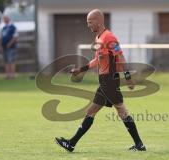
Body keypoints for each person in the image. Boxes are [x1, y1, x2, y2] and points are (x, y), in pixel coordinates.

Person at [55, 9, 146, 152]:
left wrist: (128, 77)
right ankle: (71, 144)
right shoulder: (98, 38)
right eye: (87, 23)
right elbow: (97, 60)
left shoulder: (109, 38)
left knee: (121, 111)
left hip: (109, 81)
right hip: (104, 81)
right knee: (92, 111)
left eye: (90, 22)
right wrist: (81, 69)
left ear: (98, 21)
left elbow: (120, 57)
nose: (88, 25)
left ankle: (140, 145)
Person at [1, 15, 18, 79]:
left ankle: (12, 75)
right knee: (6, 61)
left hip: (11, 47)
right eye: (4, 19)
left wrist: (10, 43)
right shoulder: (4, 28)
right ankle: (7, 75)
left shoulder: (13, 27)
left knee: (11, 61)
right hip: (4, 47)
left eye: (6, 18)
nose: (4, 20)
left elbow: (15, 37)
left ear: (9, 19)